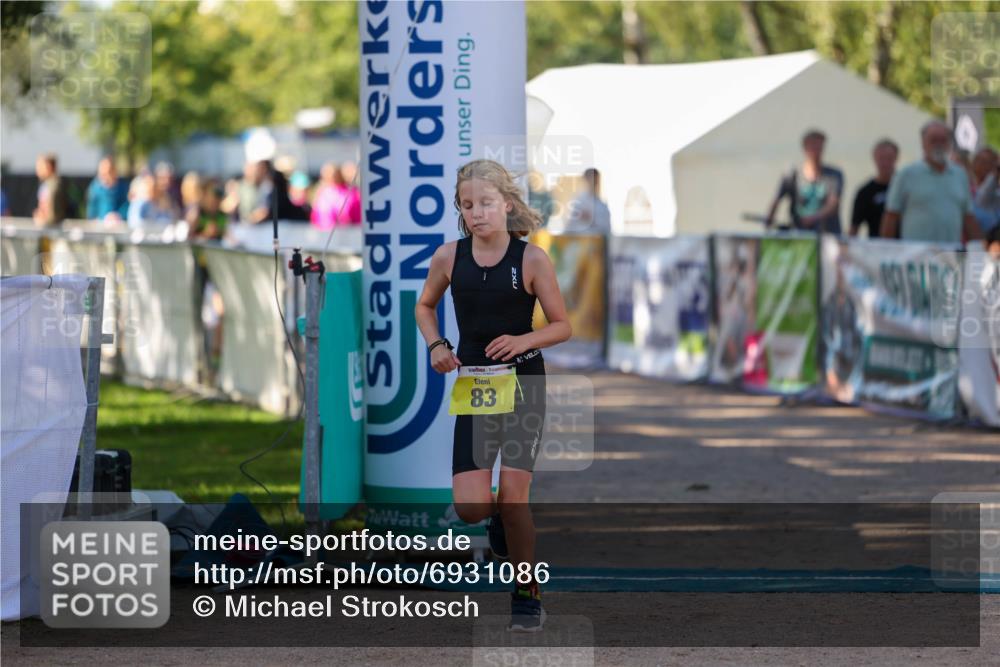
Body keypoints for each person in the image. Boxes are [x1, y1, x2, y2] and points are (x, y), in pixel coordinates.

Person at [415, 159, 571, 632]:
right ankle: (497, 518)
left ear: (506, 203)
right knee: (472, 507)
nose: (477, 212)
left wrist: (525, 340)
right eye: (467, 205)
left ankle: (526, 594)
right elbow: (424, 305)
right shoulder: (448, 257)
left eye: (485, 203)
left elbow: (564, 326)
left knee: (517, 496)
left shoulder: (531, 259)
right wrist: (437, 344)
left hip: (524, 384)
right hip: (477, 388)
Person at [881, 120, 984, 245]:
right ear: (923, 143)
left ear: (950, 144)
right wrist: (887, 251)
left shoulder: (960, 175)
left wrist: (982, 250)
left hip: (950, 256)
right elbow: (891, 216)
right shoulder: (906, 175)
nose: (939, 145)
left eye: (943, 140)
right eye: (933, 140)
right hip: (916, 257)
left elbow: (968, 217)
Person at [766, 129, 844, 234]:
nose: (817, 150)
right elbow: (776, 201)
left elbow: (833, 205)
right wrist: (768, 223)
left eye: (820, 147)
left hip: (827, 236)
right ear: (805, 147)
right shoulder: (791, 175)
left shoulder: (834, 175)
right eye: (813, 146)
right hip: (799, 235)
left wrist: (813, 218)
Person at [850, 139, 898, 238]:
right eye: (881, 158)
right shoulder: (865, 192)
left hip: (907, 248)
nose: (885, 163)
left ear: (896, 158)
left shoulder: (905, 188)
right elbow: (854, 227)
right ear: (874, 159)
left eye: (889, 158)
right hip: (876, 248)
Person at [310, 162, 361, 229]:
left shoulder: (350, 192)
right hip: (323, 231)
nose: (330, 177)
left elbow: (356, 214)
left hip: (346, 232)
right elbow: (316, 214)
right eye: (327, 174)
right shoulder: (322, 192)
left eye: (333, 175)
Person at [563, 167, 611, 234]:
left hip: (596, 241)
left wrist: (592, 219)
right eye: (589, 178)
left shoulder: (602, 205)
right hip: (578, 241)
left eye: (594, 179)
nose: (592, 182)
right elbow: (569, 225)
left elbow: (606, 229)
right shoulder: (577, 201)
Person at [86, 156, 129, 223]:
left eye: (107, 173)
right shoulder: (95, 188)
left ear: (114, 172)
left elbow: (126, 206)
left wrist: (118, 215)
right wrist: (94, 219)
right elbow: (92, 209)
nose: (105, 177)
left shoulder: (122, 187)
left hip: (118, 224)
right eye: (102, 174)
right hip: (101, 224)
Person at [33, 153, 68, 227]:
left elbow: (53, 214)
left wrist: (42, 221)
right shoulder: (46, 185)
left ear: (48, 166)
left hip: (51, 231)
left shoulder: (53, 186)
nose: (37, 170)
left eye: (40, 166)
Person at [973, 148, 1000, 236]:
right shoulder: (967, 189)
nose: (986, 166)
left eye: (991, 163)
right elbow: (983, 198)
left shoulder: (997, 193)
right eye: (982, 162)